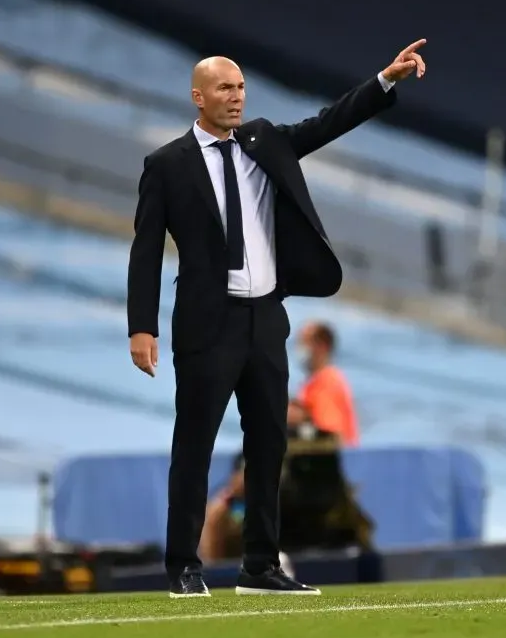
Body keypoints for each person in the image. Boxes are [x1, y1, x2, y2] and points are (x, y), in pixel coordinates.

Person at [127, 40, 427, 597]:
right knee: (193, 446)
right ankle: (183, 567)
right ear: (198, 97)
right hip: (206, 325)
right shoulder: (166, 164)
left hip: (265, 319)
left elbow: (328, 123)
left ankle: (260, 567)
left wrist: (383, 79)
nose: (236, 97)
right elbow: (145, 250)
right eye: (224, 88)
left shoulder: (265, 140)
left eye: (241, 87)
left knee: (270, 447)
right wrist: (141, 327)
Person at [287, 321, 359, 447]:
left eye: (304, 342)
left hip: (332, 461)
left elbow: (332, 434)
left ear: (321, 346)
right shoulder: (314, 383)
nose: (299, 349)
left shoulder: (327, 382)